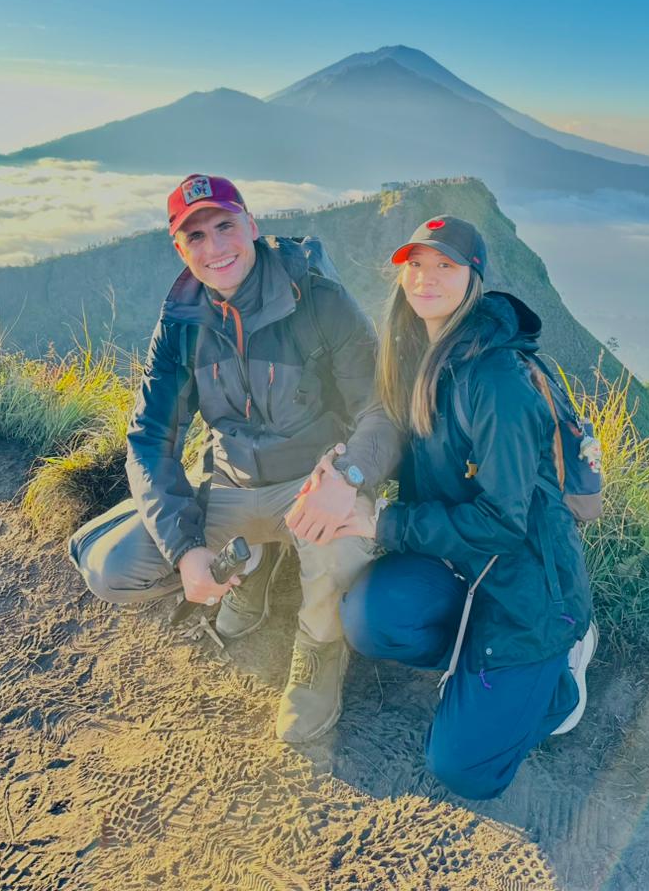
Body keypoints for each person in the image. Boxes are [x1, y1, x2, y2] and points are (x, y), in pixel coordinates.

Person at [68, 174, 400, 743]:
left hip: (313, 483)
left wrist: (348, 477)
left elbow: (383, 409)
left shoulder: (318, 301)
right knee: (112, 571)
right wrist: (186, 547)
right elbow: (150, 437)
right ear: (180, 249)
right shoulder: (180, 325)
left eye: (225, 226)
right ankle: (249, 564)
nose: (215, 247)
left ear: (252, 226)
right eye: (195, 236)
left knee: (344, 544)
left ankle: (317, 655)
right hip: (230, 482)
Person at [334, 215, 596, 799]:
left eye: (445, 265)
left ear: (473, 277)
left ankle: (561, 677)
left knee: (463, 770)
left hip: (525, 583)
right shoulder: (415, 355)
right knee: (370, 618)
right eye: (417, 265)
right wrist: (344, 473)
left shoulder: (496, 380)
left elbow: (505, 523)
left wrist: (382, 522)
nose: (427, 278)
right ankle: (481, 671)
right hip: (459, 562)